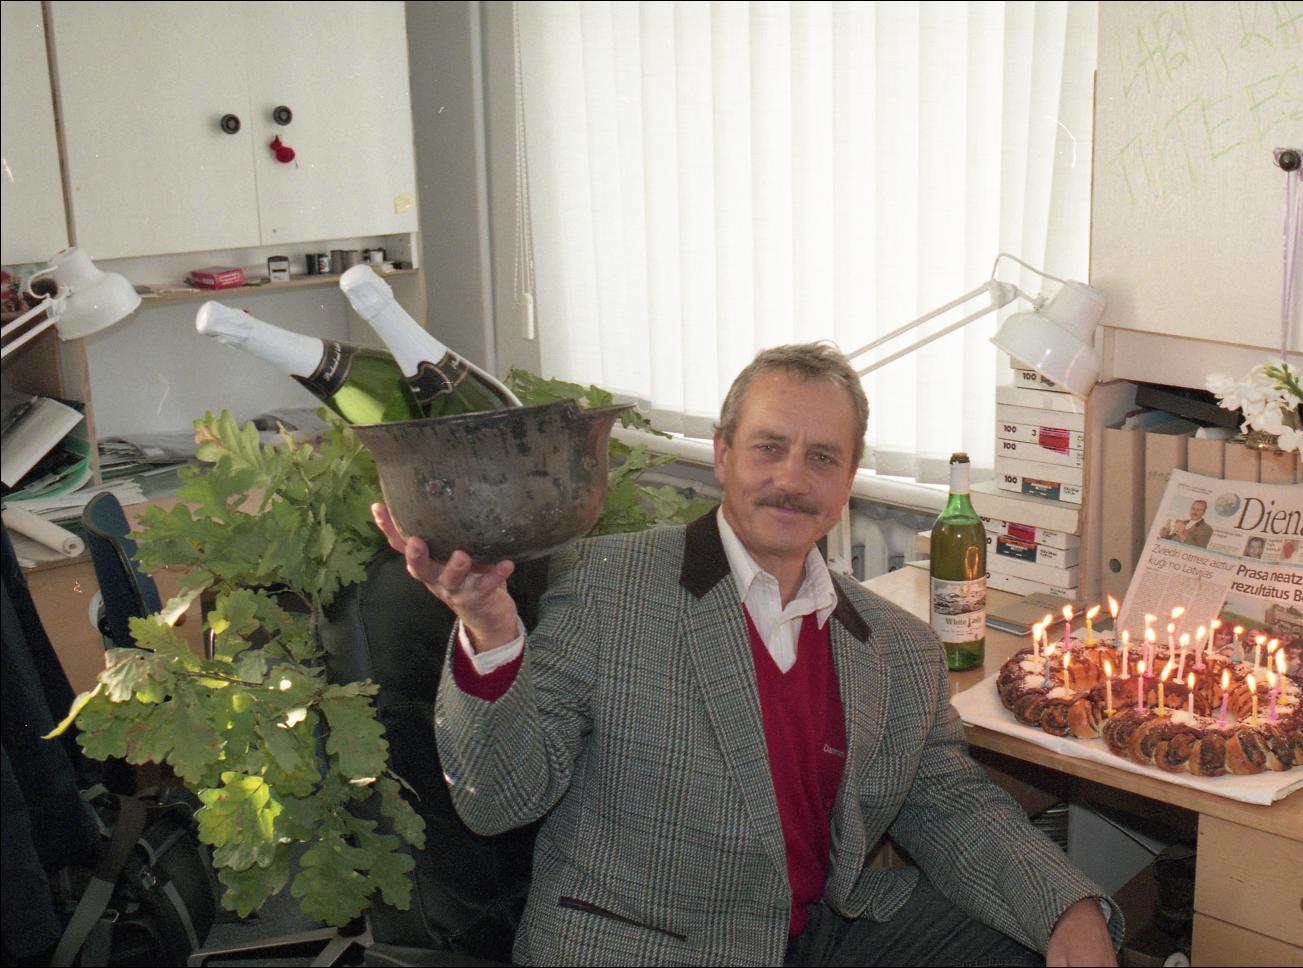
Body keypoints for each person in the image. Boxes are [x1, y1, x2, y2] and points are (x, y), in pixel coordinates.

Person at [373, 342, 1121, 966]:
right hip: (645, 945)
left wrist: (1069, 908)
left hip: (816, 933)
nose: (791, 480)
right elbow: (499, 798)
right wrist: (489, 629)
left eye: (821, 457)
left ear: (848, 480)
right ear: (722, 454)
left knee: (1028, 940)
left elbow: (950, 804)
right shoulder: (608, 587)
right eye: (769, 448)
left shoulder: (898, 647)